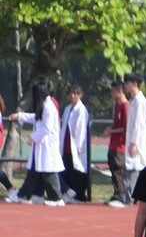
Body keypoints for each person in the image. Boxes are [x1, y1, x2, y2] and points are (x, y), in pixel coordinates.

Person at [8, 77, 64, 205]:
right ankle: (23, 195)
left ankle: (57, 198)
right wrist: (20, 116)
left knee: (49, 173)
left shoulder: (49, 107)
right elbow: (36, 118)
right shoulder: (44, 106)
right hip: (40, 146)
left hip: (47, 146)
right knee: (33, 172)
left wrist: (32, 137)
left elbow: (46, 127)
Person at [60, 84, 91, 202]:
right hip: (66, 145)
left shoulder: (82, 110)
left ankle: (79, 195)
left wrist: (78, 145)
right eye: (71, 93)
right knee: (67, 168)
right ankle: (68, 194)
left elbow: (81, 128)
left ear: (80, 95)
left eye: (76, 93)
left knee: (77, 169)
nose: (73, 95)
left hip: (76, 146)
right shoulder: (68, 108)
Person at [105, 82, 130, 206]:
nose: (111, 93)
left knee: (118, 169)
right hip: (113, 143)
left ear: (120, 91)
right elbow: (117, 124)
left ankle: (122, 195)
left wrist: (112, 130)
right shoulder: (117, 106)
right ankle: (116, 193)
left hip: (121, 145)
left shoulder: (126, 106)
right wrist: (110, 128)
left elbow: (126, 128)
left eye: (113, 91)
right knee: (112, 168)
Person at [124, 75, 146, 179]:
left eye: (127, 83)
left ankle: (131, 194)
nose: (125, 85)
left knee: (135, 167)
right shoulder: (132, 100)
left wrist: (134, 143)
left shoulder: (140, 101)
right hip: (131, 141)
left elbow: (138, 124)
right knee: (131, 166)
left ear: (135, 84)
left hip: (137, 143)